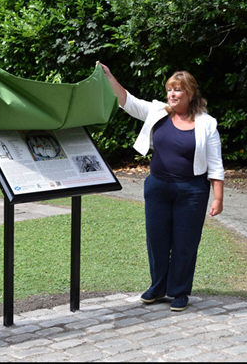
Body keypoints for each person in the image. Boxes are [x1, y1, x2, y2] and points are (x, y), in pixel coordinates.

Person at [98, 61, 224, 312]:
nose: (172, 94)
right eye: (170, 90)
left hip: (192, 191)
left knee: (185, 243)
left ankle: (179, 292)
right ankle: (157, 287)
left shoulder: (207, 123)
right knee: (156, 239)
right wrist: (108, 76)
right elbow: (127, 100)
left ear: (190, 93)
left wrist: (218, 198)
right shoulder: (158, 112)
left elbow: (215, 163)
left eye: (178, 90)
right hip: (157, 188)